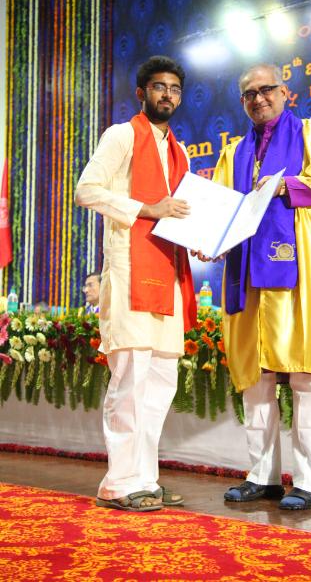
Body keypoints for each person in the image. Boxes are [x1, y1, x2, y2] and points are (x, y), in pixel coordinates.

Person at [213, 64, 311, 510]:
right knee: (257, 381)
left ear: (285, 92)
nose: (258, 98)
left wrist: (283, 186)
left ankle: (310, 482)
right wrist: (209, 240)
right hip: (245, 276)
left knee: (305, 377)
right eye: (249, 94)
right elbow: (219, 210)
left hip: (295, 276)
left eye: (266, 89)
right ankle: (263, 477)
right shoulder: (233, 153)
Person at [75, 55, 197, 512]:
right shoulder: (122, 135)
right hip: (129, 273)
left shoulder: (180, 152)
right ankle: (118, 483)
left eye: (175, 89)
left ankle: (145, 479)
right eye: (159, 87)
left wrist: (201, 241)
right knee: (130, 380)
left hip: (168, 274)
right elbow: (86, 190)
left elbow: (180, 213)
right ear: (142, 93)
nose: (168, 95)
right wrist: (149, 209)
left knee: (160, 385)